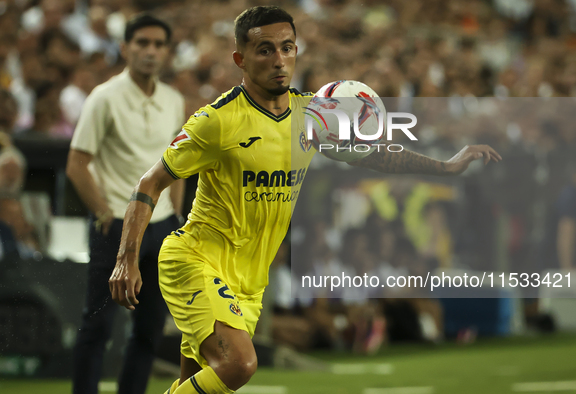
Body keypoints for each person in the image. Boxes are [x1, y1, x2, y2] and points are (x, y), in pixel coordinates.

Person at [108, 6, 501, 394]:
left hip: (250, 278)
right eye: (265, 50)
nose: (279, 60)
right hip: (196, 258)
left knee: (199, 383)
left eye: (287, 47)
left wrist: (445, 167)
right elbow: (149, 183)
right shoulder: (217, 121)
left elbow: (376, 155)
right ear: (240, 59)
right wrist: (126, 259)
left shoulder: (312, 116)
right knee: (239, 365)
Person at [66, 13, 185, 394]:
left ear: (167, 52)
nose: (151, 51)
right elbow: (77, 163)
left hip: (163, 224)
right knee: (97, 326)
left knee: (149, 329)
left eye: (158, 44)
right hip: (115, 222)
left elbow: (178, 164)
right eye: (142, 43)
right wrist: (102, 211)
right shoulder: (103, 97)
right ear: (125, 48)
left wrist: (178, 215)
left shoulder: (174, 99)